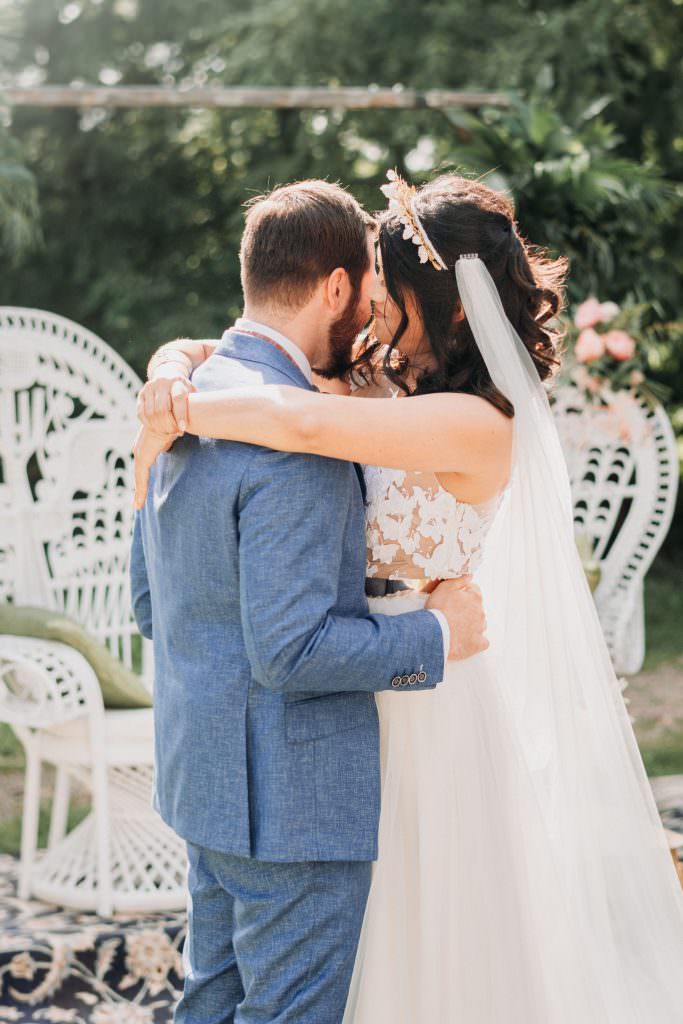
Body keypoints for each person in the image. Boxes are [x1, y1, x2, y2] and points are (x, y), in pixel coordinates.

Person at [136, 170, 683, 1022]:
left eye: (390, 293)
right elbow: (244, 360)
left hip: (429, 689)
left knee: (428, 935)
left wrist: (176, 415)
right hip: (341, 685)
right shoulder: (376, 383)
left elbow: (302, 424)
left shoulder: (478, 423)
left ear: (450, 304)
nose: (373, 312)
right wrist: (173, 367)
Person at [130, 179, 488, 1024]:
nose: (371, 313)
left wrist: (171, 359)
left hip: (203, 779)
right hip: (293, 802)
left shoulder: (182, 409)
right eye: (366, 287)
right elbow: (290, 651)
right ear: (334, 285)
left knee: (210, 1005)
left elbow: (153, 607)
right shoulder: (290, 440)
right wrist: (437, 637)